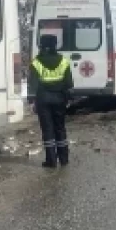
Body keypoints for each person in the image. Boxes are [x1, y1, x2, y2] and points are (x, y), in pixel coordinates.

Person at [28, 34, 74, 167]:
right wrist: (69, 98)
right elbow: (69, 83)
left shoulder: (36, 62)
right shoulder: (63, 61)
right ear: (55, 45)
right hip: (60, 99)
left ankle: (51, 160)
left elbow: (33, 84)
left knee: (47, 130)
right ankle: (64, 159)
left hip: (43, 100)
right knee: (60, 128)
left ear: (42, 45)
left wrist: (31, 100)